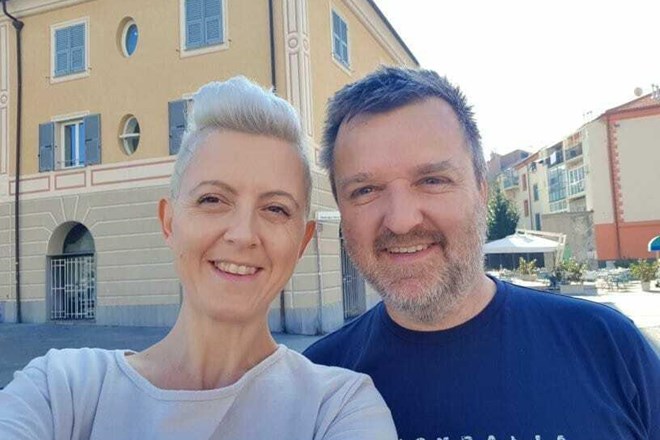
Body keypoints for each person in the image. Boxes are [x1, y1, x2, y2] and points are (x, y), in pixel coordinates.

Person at [0, 77, 397, 439]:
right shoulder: (60, 390)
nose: (243, 234)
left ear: (302, 242)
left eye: (275, 208)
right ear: (169, 222)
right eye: (212, 200)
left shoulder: (338, 407)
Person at [304, 67, 660, 440]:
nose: (401, 221)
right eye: (365, 190)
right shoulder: (315, 388)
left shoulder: (608, 346)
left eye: (432, 180)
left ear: (482, 191)